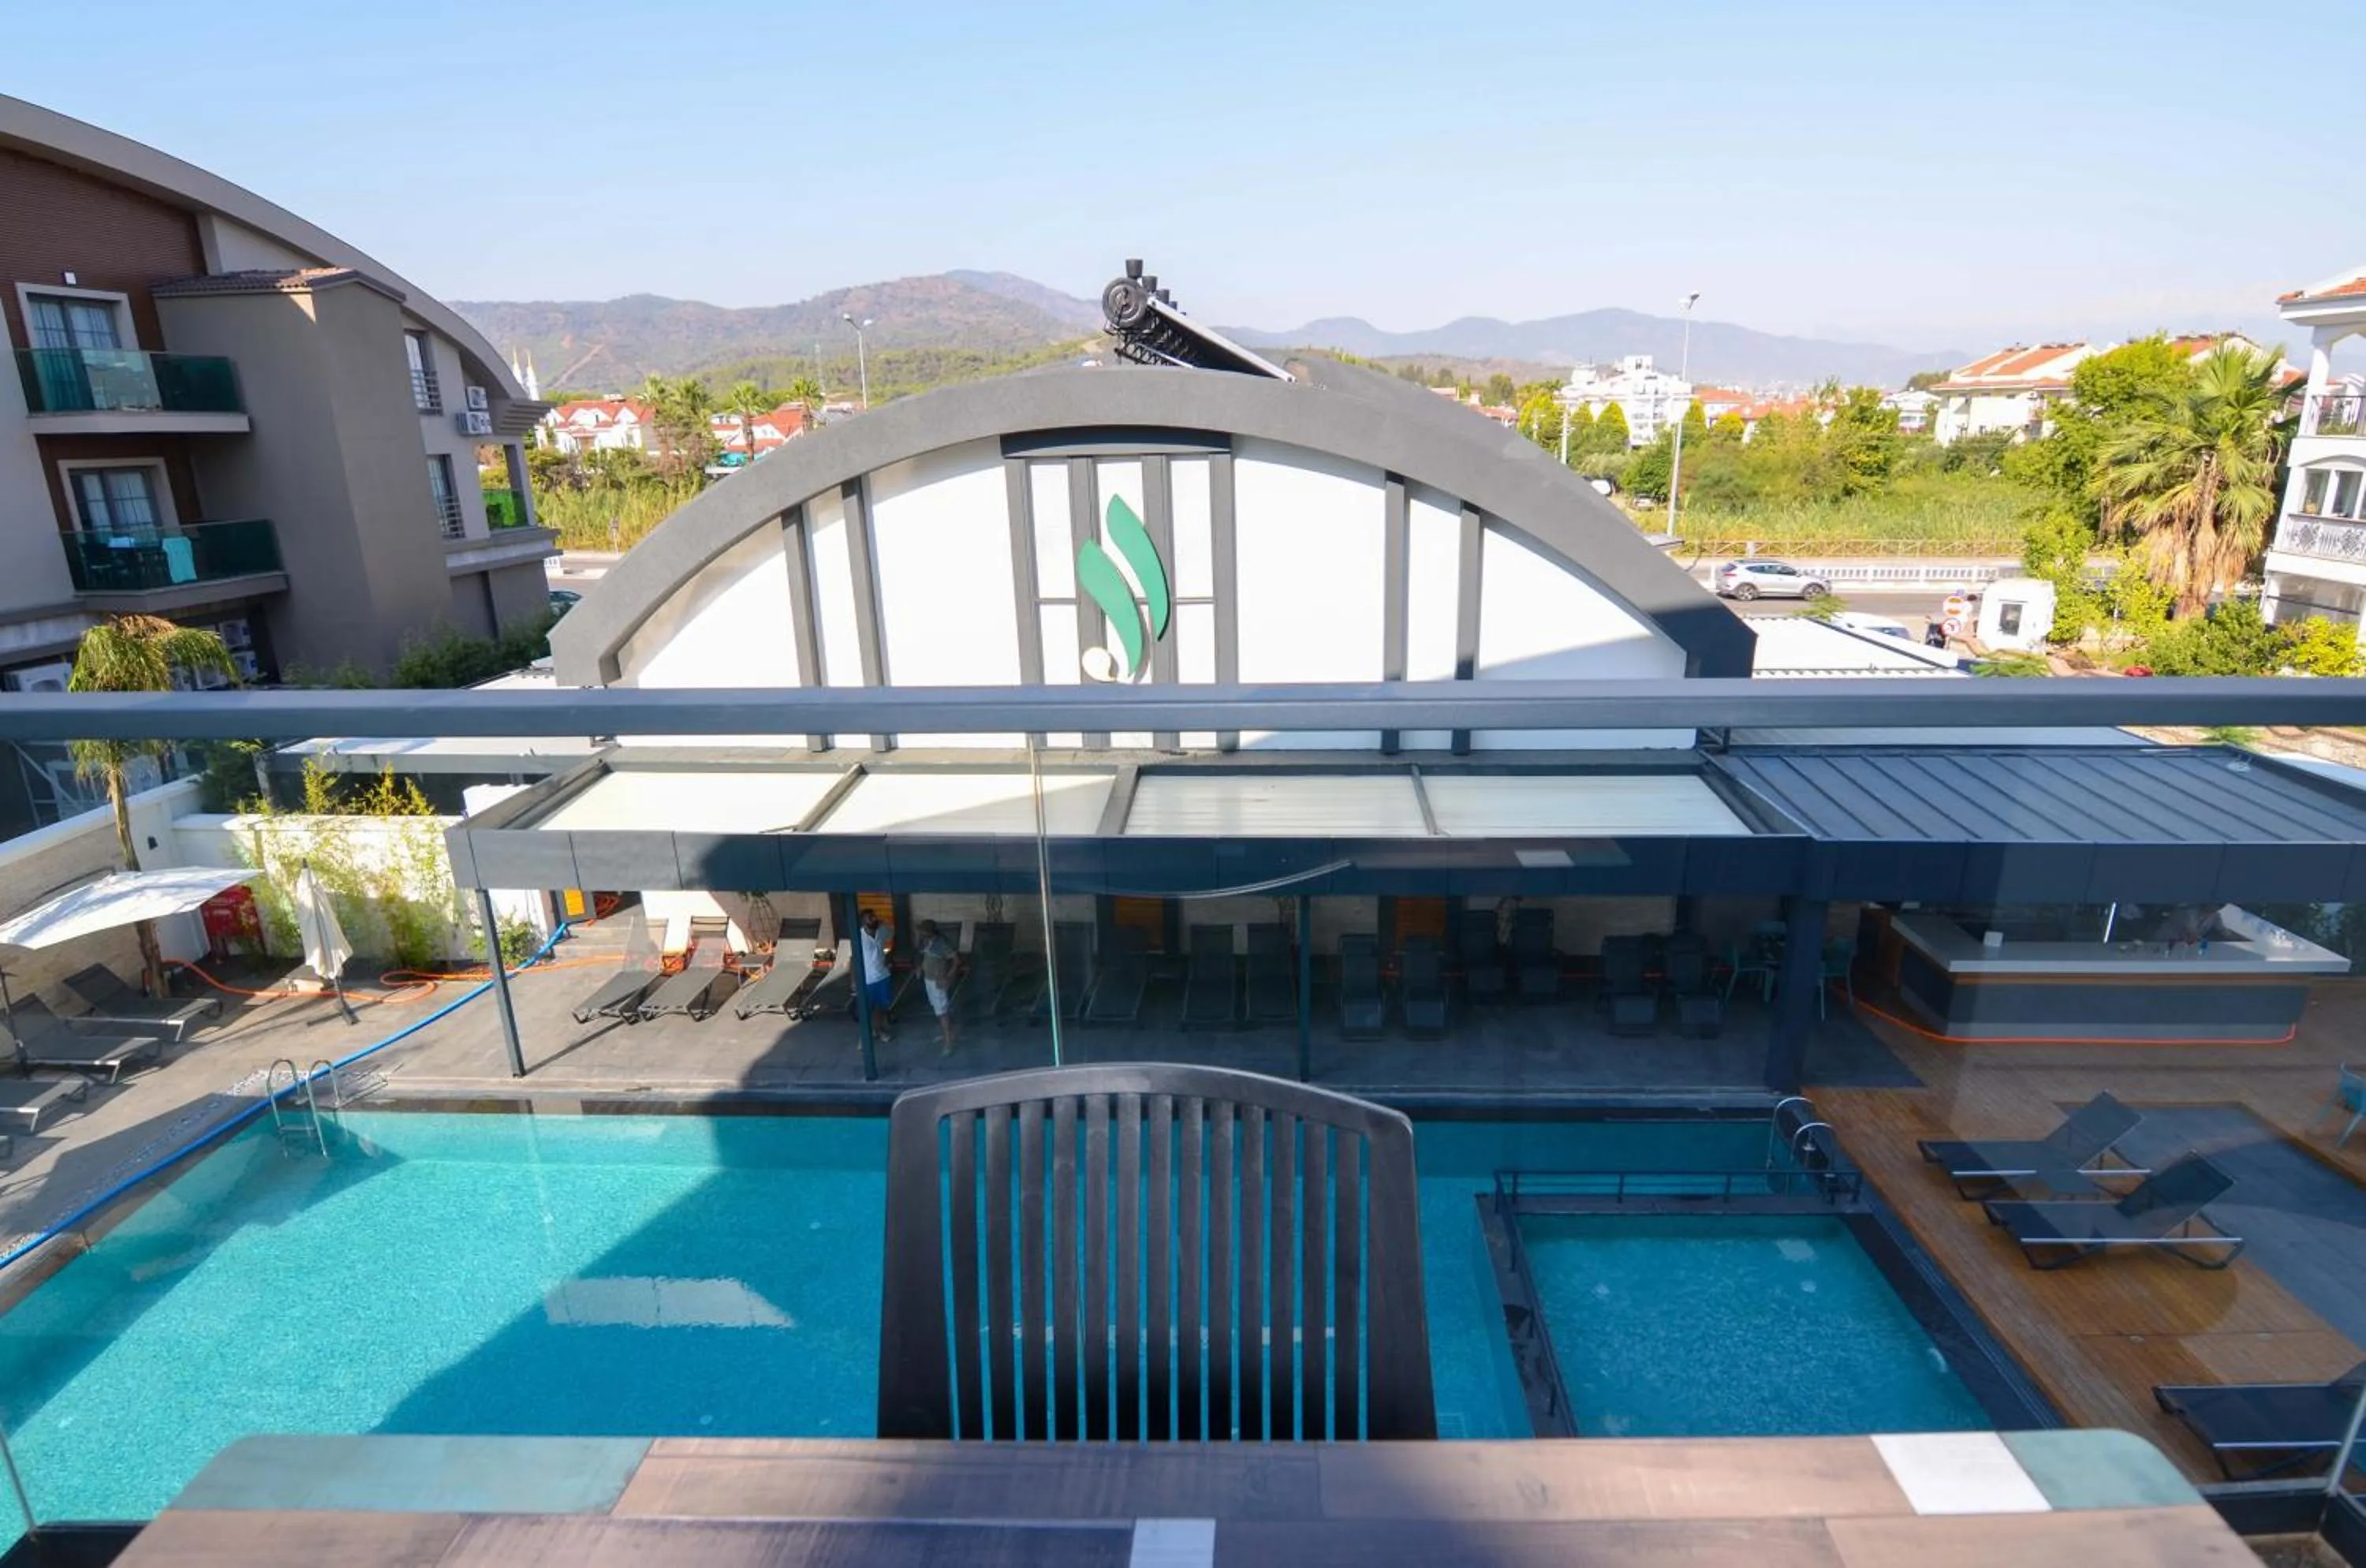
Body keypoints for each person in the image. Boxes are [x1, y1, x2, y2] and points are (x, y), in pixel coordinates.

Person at [917, 920, 960, 1055]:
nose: (921, 933)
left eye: (923, 931)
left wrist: (949, 977)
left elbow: (956, 960)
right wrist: (920, 967)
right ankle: (948, 1035)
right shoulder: (925, 942)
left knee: (942, 1012)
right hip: (928, 980)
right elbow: (925, 957)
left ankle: (948, 1043)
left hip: (938, 981)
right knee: (938, 1009)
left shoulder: (941, 944)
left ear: (929, 932)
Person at [857, 909, 894, 1042]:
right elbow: (853, 960)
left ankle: (878, 1030)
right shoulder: (859, 936)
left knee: (881, 1007)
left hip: (883, 976)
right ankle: (864, 1037)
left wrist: (889, 958)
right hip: (867, 979)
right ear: (863, 921)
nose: (873, 919)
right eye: (870, 918)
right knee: (866, 1010)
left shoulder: (881, 931)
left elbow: (892, 934)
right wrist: (853, 981)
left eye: (874, 916)